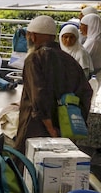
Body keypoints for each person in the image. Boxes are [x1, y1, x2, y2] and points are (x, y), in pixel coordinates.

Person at [15, 15, 93, 154]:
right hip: (66, 129)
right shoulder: (70, 59)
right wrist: (73, 121)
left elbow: (39, 96)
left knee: (29, 162)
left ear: (33, 36)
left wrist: (51, 129)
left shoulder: (34, 59)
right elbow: (86, 92)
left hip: (37, 128)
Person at [80, 12, 101, 78]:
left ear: (90, 26)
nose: (80, 28)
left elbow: (83, 59)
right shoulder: (97, 39)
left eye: (82, 25)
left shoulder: (94, 42)